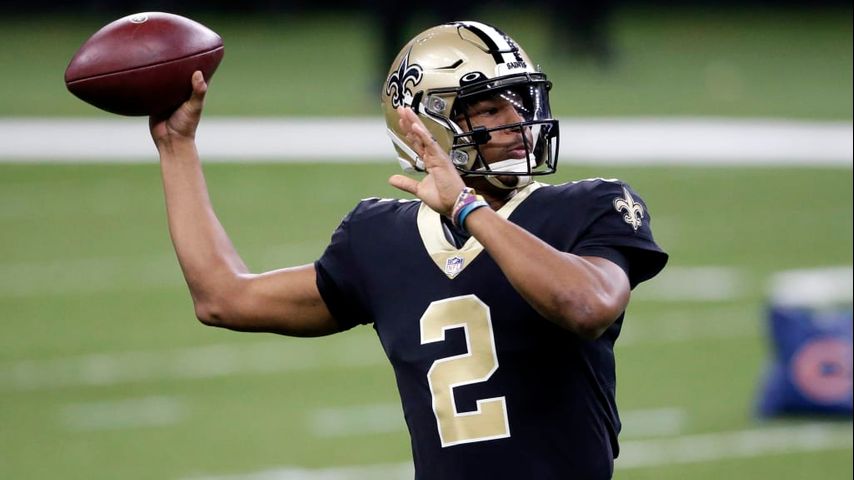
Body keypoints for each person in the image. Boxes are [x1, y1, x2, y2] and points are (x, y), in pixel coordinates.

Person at [150, 21, 668, 480]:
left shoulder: (588, 206)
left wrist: (467, 208)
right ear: (428, 127)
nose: (517, 122)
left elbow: (586, 304)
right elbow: (223, 297)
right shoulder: (379, 236)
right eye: (490, 108)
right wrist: (177, 146)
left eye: (520, 101)